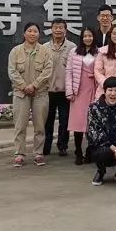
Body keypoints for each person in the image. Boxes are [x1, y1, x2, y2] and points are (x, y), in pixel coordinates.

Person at [7, 22, 54, 167]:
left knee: (40, 126)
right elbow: (12, 72)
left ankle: (38, 153)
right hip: (21, 94)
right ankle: (19, 154)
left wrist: (34, 85)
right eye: (29, 31)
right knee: (20, 126)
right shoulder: (15, 51)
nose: (32, 34)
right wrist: (24, 86)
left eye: (35, 31)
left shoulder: (45, 51)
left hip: (40, 93)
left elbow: (48, 71)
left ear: (39, 34)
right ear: (24, 33)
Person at [87, 76, 116, 185]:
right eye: (110, 90)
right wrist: (115, 150)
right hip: (102, 146)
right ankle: (101, 171)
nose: (113, 94)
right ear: (105, 91)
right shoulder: (94, 108)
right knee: (103, 153)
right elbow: (96, 134)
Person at [67, 27, 101, 165]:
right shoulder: (74, 52)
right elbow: (69, 72)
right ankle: (78, 152)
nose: (88, 38)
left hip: (93, 89)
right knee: (78, 124)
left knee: (91, 123)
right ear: (81, 38)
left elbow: (101, 70)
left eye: (90, 36)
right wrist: (69, 91)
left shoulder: (99, 52)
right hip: (78, 90)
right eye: (85, 36)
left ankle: (89, 152)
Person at [42, 18, 76, 156]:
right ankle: (46, 146)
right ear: (51, 30)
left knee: (64, 120)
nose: (58, 30)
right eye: (55, 27)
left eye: (61, 27)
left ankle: (62, 146)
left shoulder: (72, 47)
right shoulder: (44, 47)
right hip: (48, 90)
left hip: (64, 91)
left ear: (65, 30)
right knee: (47, 120)